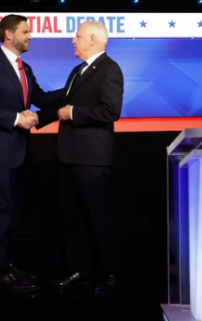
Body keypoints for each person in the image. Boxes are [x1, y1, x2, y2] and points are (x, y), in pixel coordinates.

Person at [0, 14, 64, 292]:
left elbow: (41, 98)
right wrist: (15, 118)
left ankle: (9, 265)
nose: (30, 36)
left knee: (13, 213)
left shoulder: (25, 68)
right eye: (26, 31)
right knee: (2, 211)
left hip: (20, 153)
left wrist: (73, 89)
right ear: (9, 34)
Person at [34, 21, 124, 295]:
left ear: (94, 38)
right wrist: (36, 115)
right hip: (70, 156)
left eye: (78, 36)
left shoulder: (110, 69)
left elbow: (110, 111)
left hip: (93, 160)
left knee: (99, 218)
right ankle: (80, 271)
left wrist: (73, 113)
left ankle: (111, 274)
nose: (73, 41)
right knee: (72, 218)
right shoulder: (78, 70)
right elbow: (61, 102)